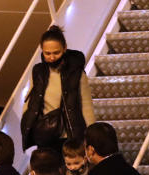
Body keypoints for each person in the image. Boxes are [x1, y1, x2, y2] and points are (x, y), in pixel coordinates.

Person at [21, 25, 96, 153]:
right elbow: (31, 99)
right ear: (42, 50)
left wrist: (91, 138)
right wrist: (26, 120)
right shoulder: (38, 71)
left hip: (70, 136)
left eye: (56, 52)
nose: (51, 57)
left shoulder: (76, 72)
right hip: (45, 134)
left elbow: (86, 105)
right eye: (47, 53)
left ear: (65, 48)